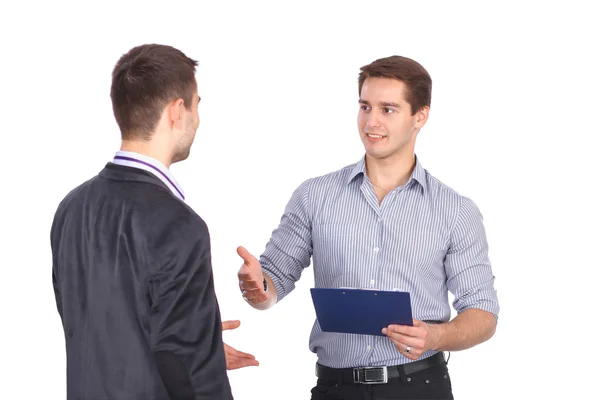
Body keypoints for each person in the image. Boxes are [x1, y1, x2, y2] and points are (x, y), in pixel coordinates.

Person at [237, 55, 499, 399]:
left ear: (420, 116)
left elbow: (483, 312)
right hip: (336, 388)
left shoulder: (455, 211)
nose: (371, 122)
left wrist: (435, 337)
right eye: (365, 106)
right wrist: (257, 287)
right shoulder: (314, 196)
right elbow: (274, 282)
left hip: (419, 387)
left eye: (388, 109)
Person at [51, 44, 257, 400]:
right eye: (196, 104)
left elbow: (96, 328)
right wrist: (198, 356)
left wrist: (201, 343)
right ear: (177, 111)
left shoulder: (71, 208)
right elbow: (189, 373)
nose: (197, 117)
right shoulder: (179, 225)